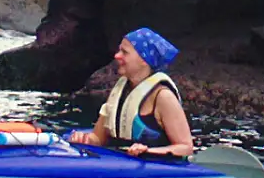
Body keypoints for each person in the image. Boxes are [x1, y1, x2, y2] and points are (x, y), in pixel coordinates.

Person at [68, 27, 194, 158]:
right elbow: (98, 138)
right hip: (120, 161)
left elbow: (185, 147)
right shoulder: (121, 91)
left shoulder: (163, 96)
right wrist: (84, 139)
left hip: (155, 168)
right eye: (119, 50)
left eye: (125, 52)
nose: (117, 56)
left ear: (144, 60)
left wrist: (148, 151)